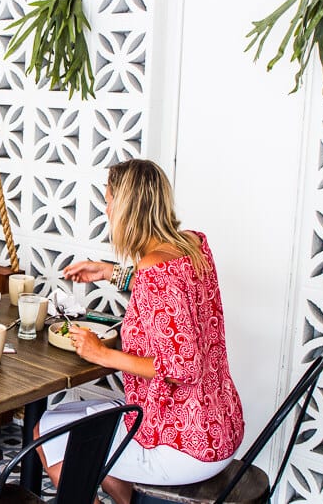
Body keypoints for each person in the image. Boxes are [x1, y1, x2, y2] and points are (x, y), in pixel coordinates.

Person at [36, 159, 244, 504]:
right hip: (219, 421)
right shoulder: (193, 245)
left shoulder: (154, 272)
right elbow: (173, 295)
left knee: (51, 437)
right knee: (51, 418)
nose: (105, 209)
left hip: (183, 444)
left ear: (127, 206)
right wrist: (110, 272)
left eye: (108, 200)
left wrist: (102, 354)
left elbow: (182, 369)